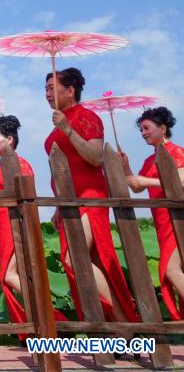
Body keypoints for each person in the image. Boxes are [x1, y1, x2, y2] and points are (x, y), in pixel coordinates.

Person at [43, 67, 139, 323]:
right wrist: (57, 207)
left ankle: (123, 321)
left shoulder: (87, 117)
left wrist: (68, 130)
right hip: (69, 201)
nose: (48, 93)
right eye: (46, 89)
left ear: (70, 90)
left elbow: (96, 157)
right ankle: (112, 323)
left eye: (53, 88)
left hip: (90, 197)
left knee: (74, 257)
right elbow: (62, 168)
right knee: (85, 260)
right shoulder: (58, 123)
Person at [0, 114, 67, 339]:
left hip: (15, 225)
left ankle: (54, 319)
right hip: (3, 226)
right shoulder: (0, 166)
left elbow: (23, 194)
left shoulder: (20, 164)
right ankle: (39, 326)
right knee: (9, 277)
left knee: (9, 276)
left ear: (10, 139)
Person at [120, 107, 184, 319]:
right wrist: (126, 167)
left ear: (163, 128)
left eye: (147, 128)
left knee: (170, 270)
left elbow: (182, 181)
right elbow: (136, 187)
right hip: (163, 222)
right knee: (172, 271)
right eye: (141, 130)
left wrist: (146, 180)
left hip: (178, 220)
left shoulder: (176, 152)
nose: (143, 133)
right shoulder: (149, 160)